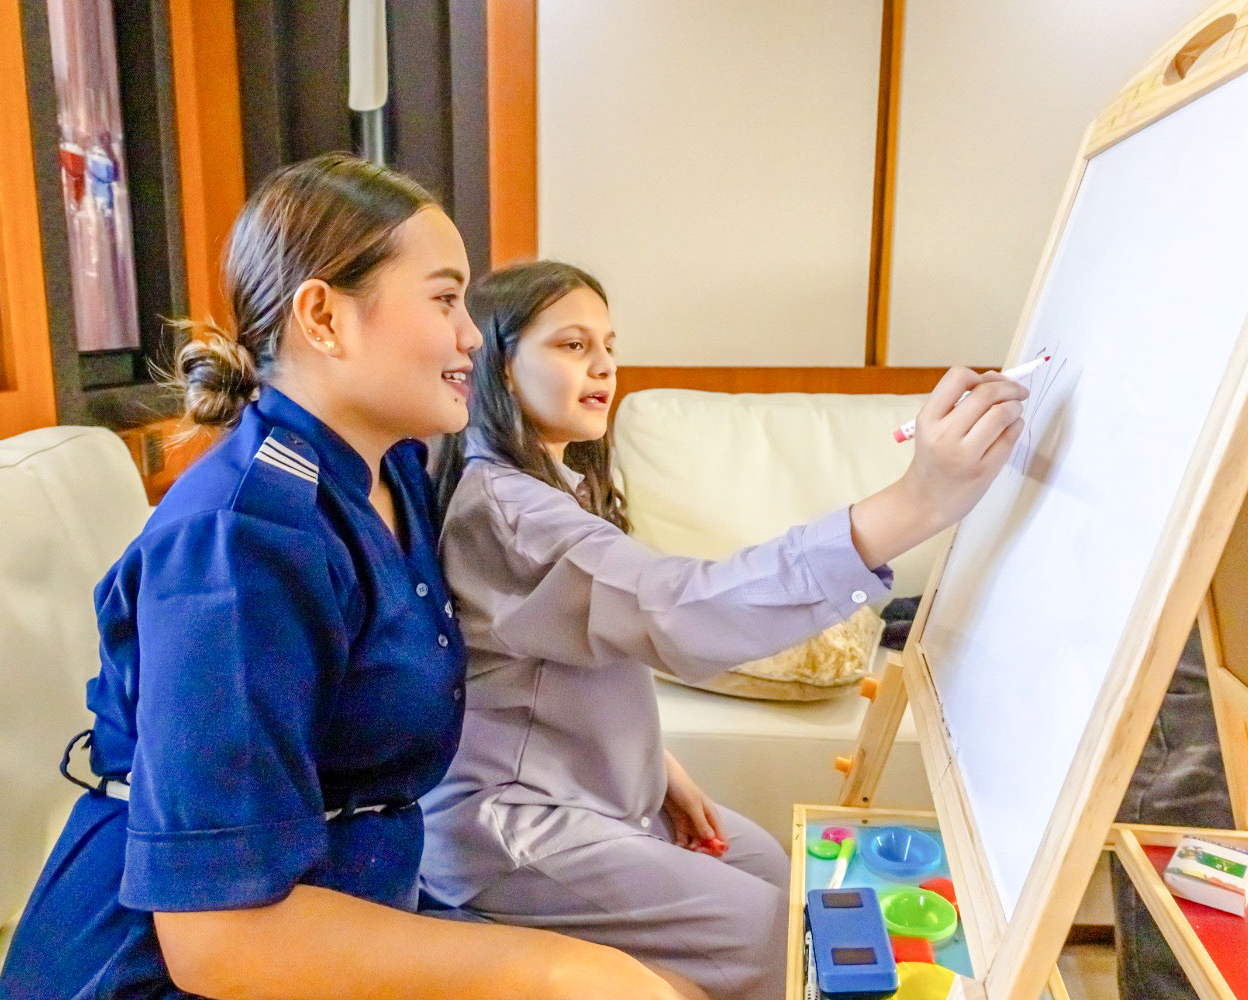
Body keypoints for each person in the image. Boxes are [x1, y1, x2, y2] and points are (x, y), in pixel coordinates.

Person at [0, 157, 692, 1000]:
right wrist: (551, 966)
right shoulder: (238, 544)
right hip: (174, 966)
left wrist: (653, 763)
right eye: (445, 300)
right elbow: (219, 941)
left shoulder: (394, 474)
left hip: (353, 896)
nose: (472, 337)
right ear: (324, 317)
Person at [422, 260, 1029, 1000]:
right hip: (511, 825)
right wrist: (916, 500)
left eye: (608, 344)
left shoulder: (550, 487)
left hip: (585, 790)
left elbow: (586, 654)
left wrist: (658, 768)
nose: (604, 365)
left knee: (769, 864)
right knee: (773, 936)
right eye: (573, 345)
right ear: (498, 364)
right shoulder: (509, 512)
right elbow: (680, 610)